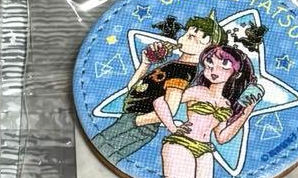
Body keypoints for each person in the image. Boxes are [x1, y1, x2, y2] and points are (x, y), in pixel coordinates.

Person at [91, 13, 226, 166]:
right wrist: (146, 63)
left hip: (140, 124)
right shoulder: (175, 65)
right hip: (133, 119)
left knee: (103, 150)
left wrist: (136, 121)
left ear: (207, 50)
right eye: (187, 33)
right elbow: (132, 88)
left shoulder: (182, 72)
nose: (184, 38)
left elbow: (169, 108)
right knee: (102, 150)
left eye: (192, 37)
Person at [153, 45, 263, 178]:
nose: (213, 70)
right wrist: (172, 127)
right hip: (181, 144)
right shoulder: (198, 91)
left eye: (224, 65)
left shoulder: (225, 104)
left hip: (205, 150)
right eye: (210, 62)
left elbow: (222, 138)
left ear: (236, 74)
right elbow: (159, 101)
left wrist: (246, 111)